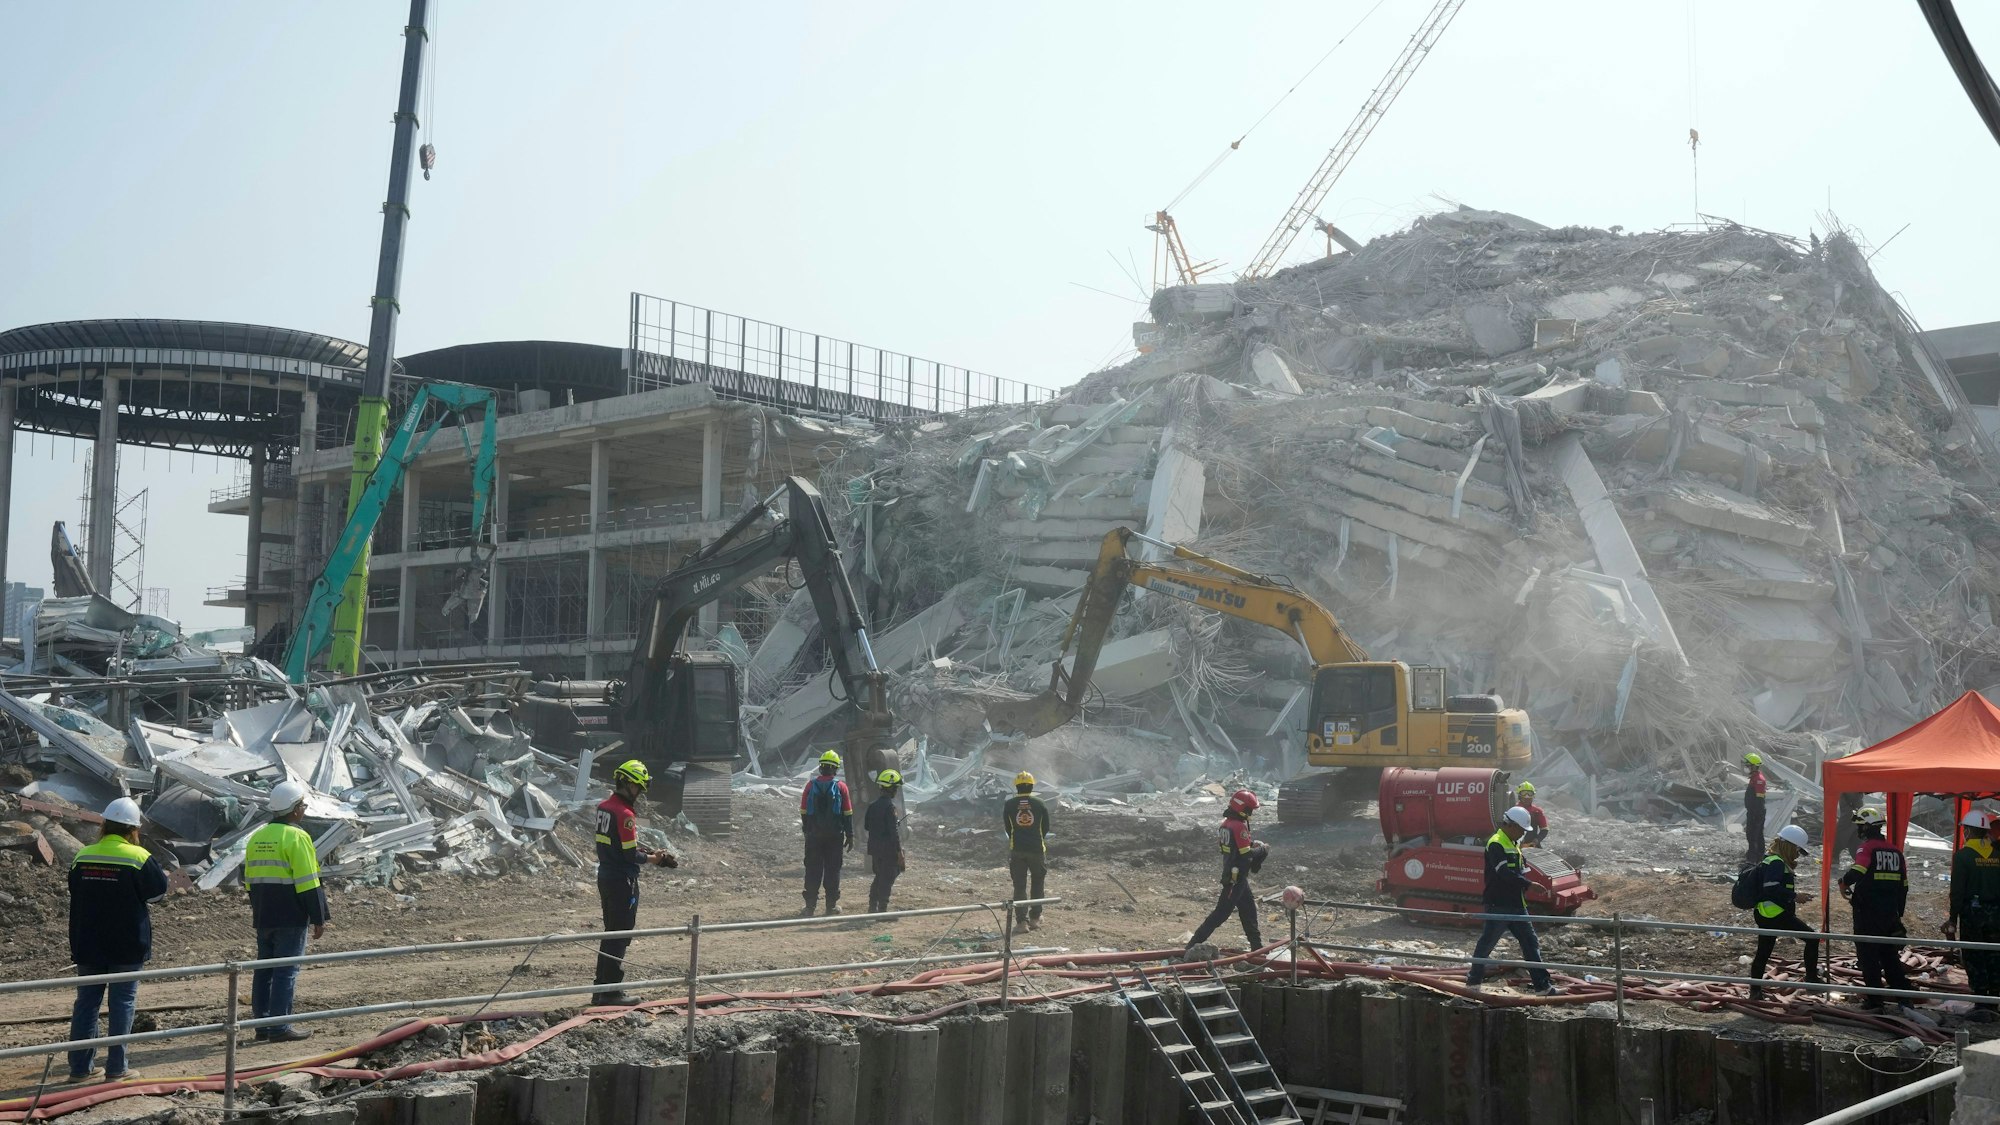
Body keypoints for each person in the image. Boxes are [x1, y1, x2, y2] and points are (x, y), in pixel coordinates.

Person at [66, 796, 168, 1082]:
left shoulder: (83, 855)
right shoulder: (139, 857)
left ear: (105, 825)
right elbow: (158, 894)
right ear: (132, 829)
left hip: (87, 942)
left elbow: (74, 889)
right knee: (122, 1003)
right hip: (126, 944)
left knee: (86, 1002)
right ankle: (116, 1068)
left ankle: (79, 1068)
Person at [245, 781, 329, 1043]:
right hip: (290, 915)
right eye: (302, 806)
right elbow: (308, 882)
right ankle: (279, 1027)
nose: (303, 810)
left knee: (265, 970)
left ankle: (263, 1024)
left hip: (264, 913)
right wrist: (318, 917)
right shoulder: (297, 837)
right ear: (294, 810)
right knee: (286, 971)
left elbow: (248, 881)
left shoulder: (257, 836)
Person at [592, 759, 678, 1006]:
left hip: (606, 875)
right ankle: (611, 993)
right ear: (629, 784)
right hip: (623, 880)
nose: (639, 794)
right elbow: (631, 855)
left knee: (610, 933)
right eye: (639, 788)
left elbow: (617, 844)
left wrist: (644, 851)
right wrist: (655, 859)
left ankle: (600, 988)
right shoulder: (625, 814)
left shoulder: (604, 807)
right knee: (620, 935)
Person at [1466, 805, 1558, 995]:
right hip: (1499, 904)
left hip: (1516, 905)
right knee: (1486, 945)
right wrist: (1528, 884)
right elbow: (1503, 873)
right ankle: (1473, 982)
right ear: (1512, 826)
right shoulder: (1496, 843)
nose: (1523, 834)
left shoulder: (1512, 842)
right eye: (1522, 830)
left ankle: (1542, 986)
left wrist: (1523, 871)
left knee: (1530, 943)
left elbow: (1517, 867)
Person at [1839, 806, 1910, 1011]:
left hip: (1866, 913)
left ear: (1868, 827)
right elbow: (1904, 886)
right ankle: (1904, 998)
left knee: (1868, 957)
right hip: (1889, 915)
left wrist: (1843, 882)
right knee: (1889, 956)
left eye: (1860, 825)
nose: (1858, 830)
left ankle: (1875, 1000)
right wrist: (1898, 914)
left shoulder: (1867, 848)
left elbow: (1858, 870)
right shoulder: (1896, 851)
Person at [1187, 789, 1267, 954]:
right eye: (1249, 809)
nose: (1251, 813)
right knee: (1220, 914)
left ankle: (1257, 948)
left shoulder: (1226, 824)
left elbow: (1234, 849)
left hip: (1238, 876)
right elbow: (1245, 854)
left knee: (1249, 912)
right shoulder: (1238, 826)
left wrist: (1253, 847)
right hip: (1234, 879)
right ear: (1241, 808)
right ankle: (1191, 945)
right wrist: (1262, 850)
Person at [1748, 823, 1821, 1001]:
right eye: (1797, 849)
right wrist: (1795, 896)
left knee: (1763, 952)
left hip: (1768, 913)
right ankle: (1811, 979)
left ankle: (1755, 991)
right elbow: (1771, 888)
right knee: (1812, 938)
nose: (1797, 853)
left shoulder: (1772, 860)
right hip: (1776, 914)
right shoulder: (1776, 863)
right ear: (1788, 846)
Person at [1945, 808, 2000, 1020]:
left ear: (1967, 831)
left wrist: (1952, 919)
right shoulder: (1997, 854)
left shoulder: (1964, 856)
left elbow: (1957, 892)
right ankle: (1994, 1001)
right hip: (1997, 914)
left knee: (1975, 955)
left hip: (1973, 914)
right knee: (1994, 955)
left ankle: (1981, 1003)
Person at [800, 750, 853, 916]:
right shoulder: (841, 786)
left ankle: (809, 907)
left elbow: (803, 810)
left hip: (814, 836)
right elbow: (847, 812)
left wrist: (808, 829)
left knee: (812, 869)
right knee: (832, 869)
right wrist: (849, 835)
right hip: (835, 836)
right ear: (835, 768)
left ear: (821, 767)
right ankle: (830, 907)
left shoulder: (810, 786)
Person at [1001, 771, 1053, 930]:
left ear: (1016, 787)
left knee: (1019, 886)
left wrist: (1017, 839)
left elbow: (1008, 828)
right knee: (1038, 883)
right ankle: (1035, 919)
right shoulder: (1040, 804)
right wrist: (1036, 839)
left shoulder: (1009, 804)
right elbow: (1045, 828)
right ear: (1032, 786)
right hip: (1037, 850)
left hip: (1017, 850)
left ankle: (1022, 922)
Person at [865, 768, 905, 914]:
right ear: (891, 788)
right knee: (887, 878)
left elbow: (867, 826)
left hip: (875, 848)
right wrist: (899, 852)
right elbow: (894, 833)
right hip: (888, 849)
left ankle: (872, 906)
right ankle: (882, 910)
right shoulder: (890, 807)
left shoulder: (872, 806)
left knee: (879, 876)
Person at [1742, 752, 1768, 866]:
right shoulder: (1754, 778)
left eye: (1748, 765)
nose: (1746, 768)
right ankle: (1759, 855)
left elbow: (1759, 799)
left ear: (1754, 766)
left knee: (1753, 835)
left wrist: (1755, 813)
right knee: (1756, 835)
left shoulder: (1759, 780)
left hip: (1756, 812)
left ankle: (1752, 859)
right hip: (1753, 811)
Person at [1514, 782, 1548, 847]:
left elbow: (1544, 829)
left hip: (1533, 845)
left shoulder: (1537, 811)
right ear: (1519, 796)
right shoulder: (1513, 811)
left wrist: (1536, 841)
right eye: (1524, 795)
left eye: (1529, 795)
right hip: (1516, 844)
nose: (1527, 797)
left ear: (1533, 796)